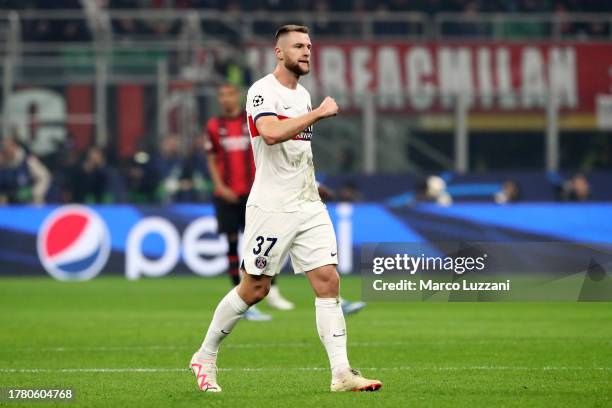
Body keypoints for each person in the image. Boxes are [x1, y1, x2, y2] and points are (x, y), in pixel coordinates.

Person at [190, 25, 382, 393]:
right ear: (279, 53)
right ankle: (205, 354)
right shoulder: (262, 90)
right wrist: (320, 114)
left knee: (328, 280)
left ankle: (341, 373)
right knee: (256, 287)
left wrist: (315, 183)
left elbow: (296, 149)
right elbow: (272, 133)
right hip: (272, 206)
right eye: (298, 46)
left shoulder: (304, 93)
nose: (306, 52)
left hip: (307, 203)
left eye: (309, 46)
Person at [204, 83, 295, 320]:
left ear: (238, 96)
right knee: (232, 242)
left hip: (255, 192)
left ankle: (272, 290)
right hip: (226, 195)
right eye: (222, 95)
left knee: (263, 242)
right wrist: (220, 187)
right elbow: (212, 158)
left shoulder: (252, 120)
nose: (226, 99)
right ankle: (241, 297)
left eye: (229, 94)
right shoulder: (214, 126)